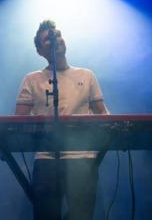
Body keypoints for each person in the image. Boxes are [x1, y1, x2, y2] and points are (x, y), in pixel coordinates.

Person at [15, 20, 109, 220]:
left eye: (57, 34)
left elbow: (103, 116)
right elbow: (17, 122)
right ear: (39, 51)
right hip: (46, 160)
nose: (55, 39)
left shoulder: (87, 75)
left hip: (82, 159)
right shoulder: (31, 79)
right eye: (48, 39)